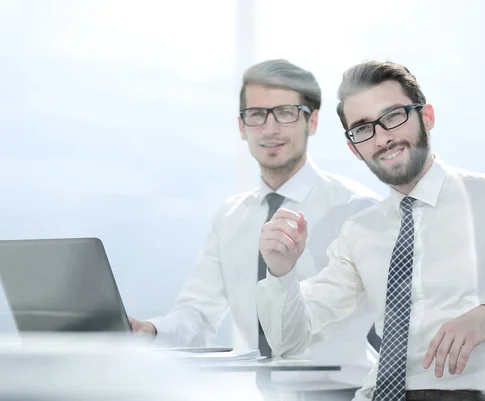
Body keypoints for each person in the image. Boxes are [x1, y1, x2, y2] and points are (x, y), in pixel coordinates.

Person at [256, 60, 485, 401]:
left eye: (393, 116)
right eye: (363, 129)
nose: (383, 138)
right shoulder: (360, 231)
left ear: (427, 116)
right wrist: (281, 272)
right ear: (354, 148)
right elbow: (290, 341)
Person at [128, 59, 382, 399]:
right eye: (257, 114)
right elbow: (198, 315)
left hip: (347, 394)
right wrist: (150, 331)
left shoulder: (358, 207)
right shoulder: (230, 217)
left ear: (313, 120)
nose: (270, 128)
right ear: (241, 126)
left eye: (286, 113)